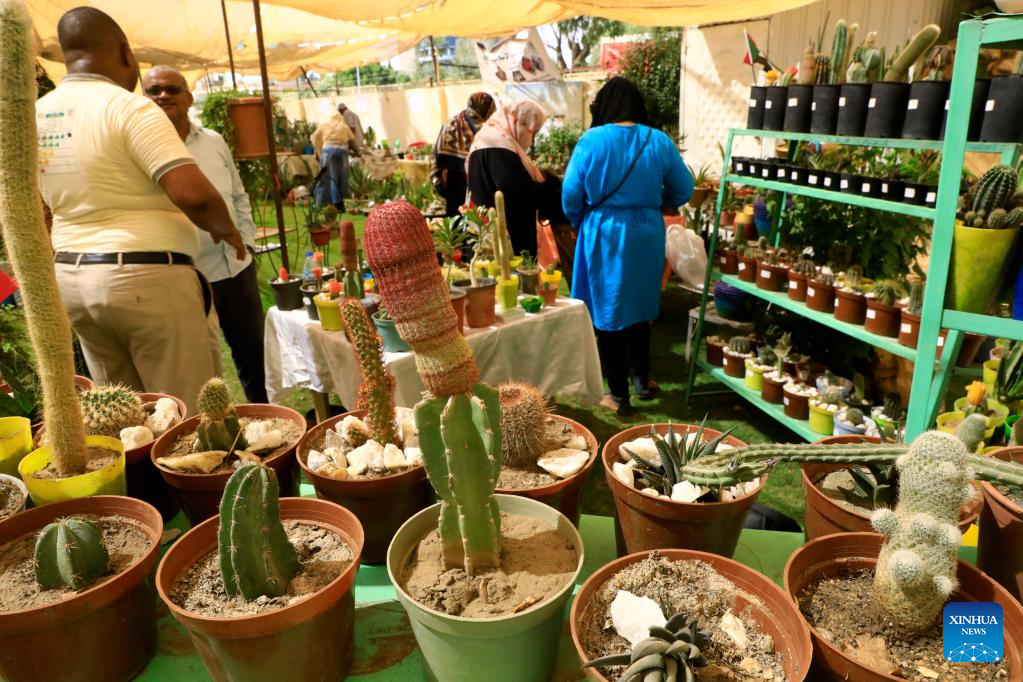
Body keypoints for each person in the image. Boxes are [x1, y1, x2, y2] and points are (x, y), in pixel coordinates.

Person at [37, 7, 245, 414]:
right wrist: (227, 229)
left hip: (73, 280)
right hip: (146, 276)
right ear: (125, 53)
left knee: (123, 414)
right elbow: (193, 194)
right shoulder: (128, 107)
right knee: (185, 414)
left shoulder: (38, 113)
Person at [562, 77, 693, 416]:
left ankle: (618, 395)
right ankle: (641, 380)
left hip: (603, 231)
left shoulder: (592, 140)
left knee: (608, 311)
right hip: (646, 232)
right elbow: (684, 187)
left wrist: (581, 222)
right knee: (640, 306)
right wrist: (658, 204)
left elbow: (571, 195)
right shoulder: (658, 140)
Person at [142, 65, 268, 404]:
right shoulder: (139, 149)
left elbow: (239, 195)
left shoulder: (213, 141)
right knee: (203, 373)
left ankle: (268, 421)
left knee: (255, 357)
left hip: (236, 268)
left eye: (172, 89)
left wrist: (248, 240)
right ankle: (217, 438)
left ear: (189, 97)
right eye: (154, 91)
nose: (163, 95)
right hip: (188, 278)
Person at [466, 101, 564, 255]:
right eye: (532, 131)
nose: (531, 140)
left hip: (489, 232)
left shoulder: (486, 139)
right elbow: (516, 190)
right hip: (508, 240)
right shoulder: (498, 145)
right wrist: (550, 187)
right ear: (521, 122)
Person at [433, 92, 496, 216]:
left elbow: (440, 155)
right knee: (478, 219)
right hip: (478, 179)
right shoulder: (488, 128)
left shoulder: (451, 122)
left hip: (453, 179)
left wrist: (443, 176)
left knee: (456, 218)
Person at [311, 105, 355, 211]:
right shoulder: (343, 126)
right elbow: (351, 138)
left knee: (328, 178)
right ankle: (342, 202)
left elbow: (314, 137)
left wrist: (318, 151)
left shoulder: (324, 124)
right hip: (342, 152)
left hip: (328, 152)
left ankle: (325, 203)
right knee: (342, 178)